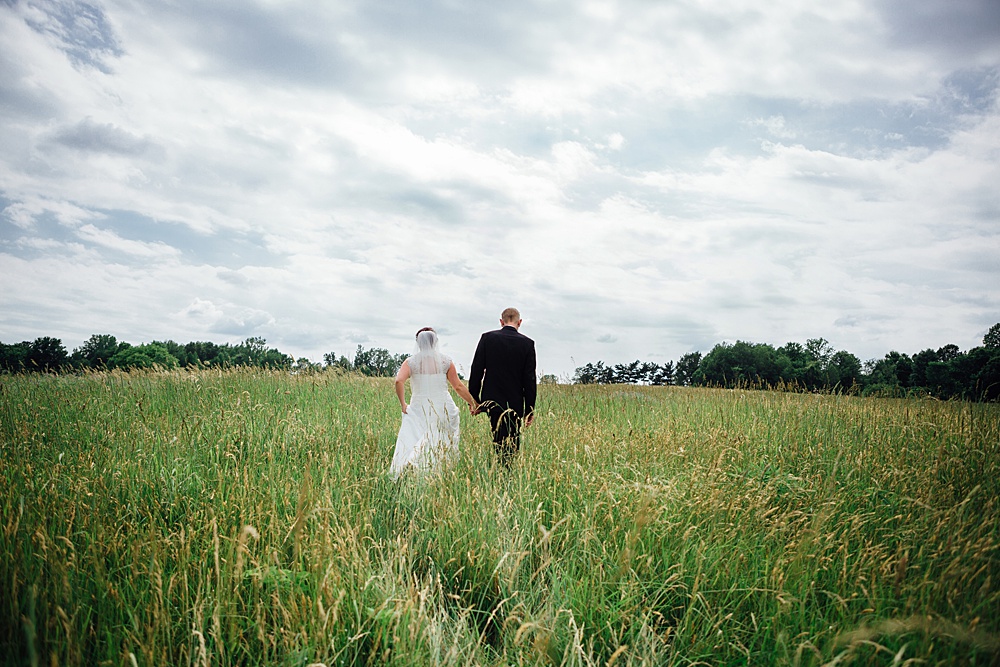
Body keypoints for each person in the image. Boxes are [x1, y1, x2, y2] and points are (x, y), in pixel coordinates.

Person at [390, 327, 478, 478]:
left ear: (418, 342)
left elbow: (399, 381)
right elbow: (457, 386)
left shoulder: (411, 362)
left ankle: (412, 463)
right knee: (439, 438)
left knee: (418, 436)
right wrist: (473, 403)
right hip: (442, 406)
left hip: (419, 406)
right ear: (435, 341)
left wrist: (403, 404)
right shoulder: (445, 361)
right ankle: (434, 471)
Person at [469, 308, 537, 467]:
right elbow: (530, 379)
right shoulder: (527, 343)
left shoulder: (487, 338)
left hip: (492, 399)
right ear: (520, 322)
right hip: (515, 400)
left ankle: (499, 468)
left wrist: (476, 400)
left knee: (497, 435)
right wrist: (530, 409)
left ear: (501, 321)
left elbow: (476, 370)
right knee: (513, 438)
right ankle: (508, 470)